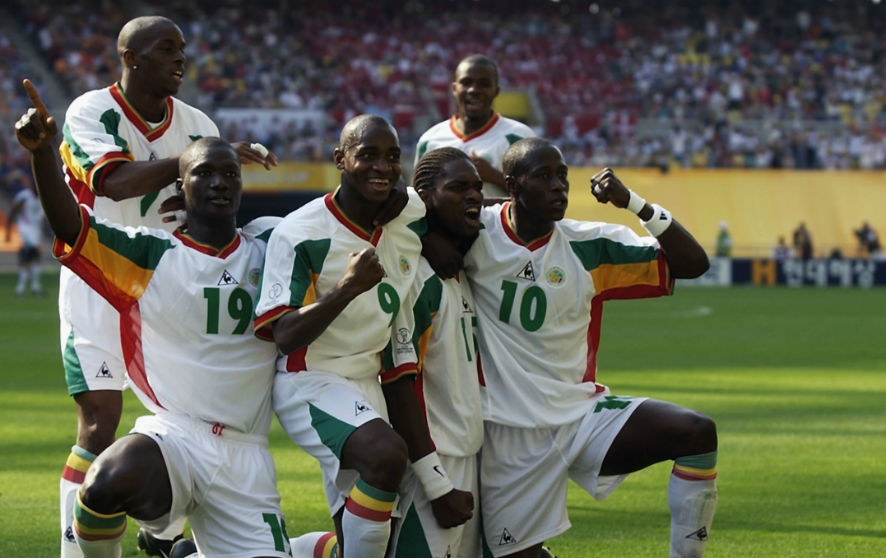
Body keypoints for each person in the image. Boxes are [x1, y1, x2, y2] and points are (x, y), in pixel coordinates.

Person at [15, 83, 289, 558]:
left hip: (247, 454)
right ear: (181, 186)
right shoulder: (152, 257)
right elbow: (72, 228)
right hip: (177, 436)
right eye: (205, 173)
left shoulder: (274, 244)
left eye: (230, 173)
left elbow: (340, 225)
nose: (221, 182)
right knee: (107, 477)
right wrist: (43, 156)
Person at [462, 138, 717, 558]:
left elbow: (692, 264)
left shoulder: (588, 245)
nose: (559, 186)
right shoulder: (475, 234)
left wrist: (634, 203)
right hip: (508, 432)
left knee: (695, 432)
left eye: (562, 176)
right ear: (513, 185)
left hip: (580, 416)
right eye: (543, 177)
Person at [254, 114, 426, 558]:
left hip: (367, 379)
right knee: (387, 457)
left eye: (392, 157)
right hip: (310, 377)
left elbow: (451, 206)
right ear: (340, 159)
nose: (382, 167)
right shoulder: (301, 231)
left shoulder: (406, 213)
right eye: (367, 155)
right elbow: (285, 333)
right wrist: (347, 288)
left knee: (371, 528)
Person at [383, 147, 485, 557]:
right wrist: (437, 483)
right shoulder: (418, 279)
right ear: (423, 197)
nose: (474, 196)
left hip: (468, 454)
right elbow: (398, 382)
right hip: (430, 464)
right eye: (459, 187)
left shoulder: (458, 268)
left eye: (477, 188)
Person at [415, 54, 535, 198]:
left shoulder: (520, 137)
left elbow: (538, 195)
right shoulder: (429, 140)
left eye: (484, 84)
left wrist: (494, 176)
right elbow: (417, 198)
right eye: (466, 82)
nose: (474, 90)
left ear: (496, 91)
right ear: (454, 88)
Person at [5, 181, 46, 296]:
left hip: (35, 231)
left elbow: (42, 217)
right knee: (31, 256)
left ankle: (31, 287)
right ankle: (24, 287)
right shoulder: (25, 196)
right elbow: (14, 209)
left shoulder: (42, 198)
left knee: (33, 259)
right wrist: (7, 229)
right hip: (25, 229)